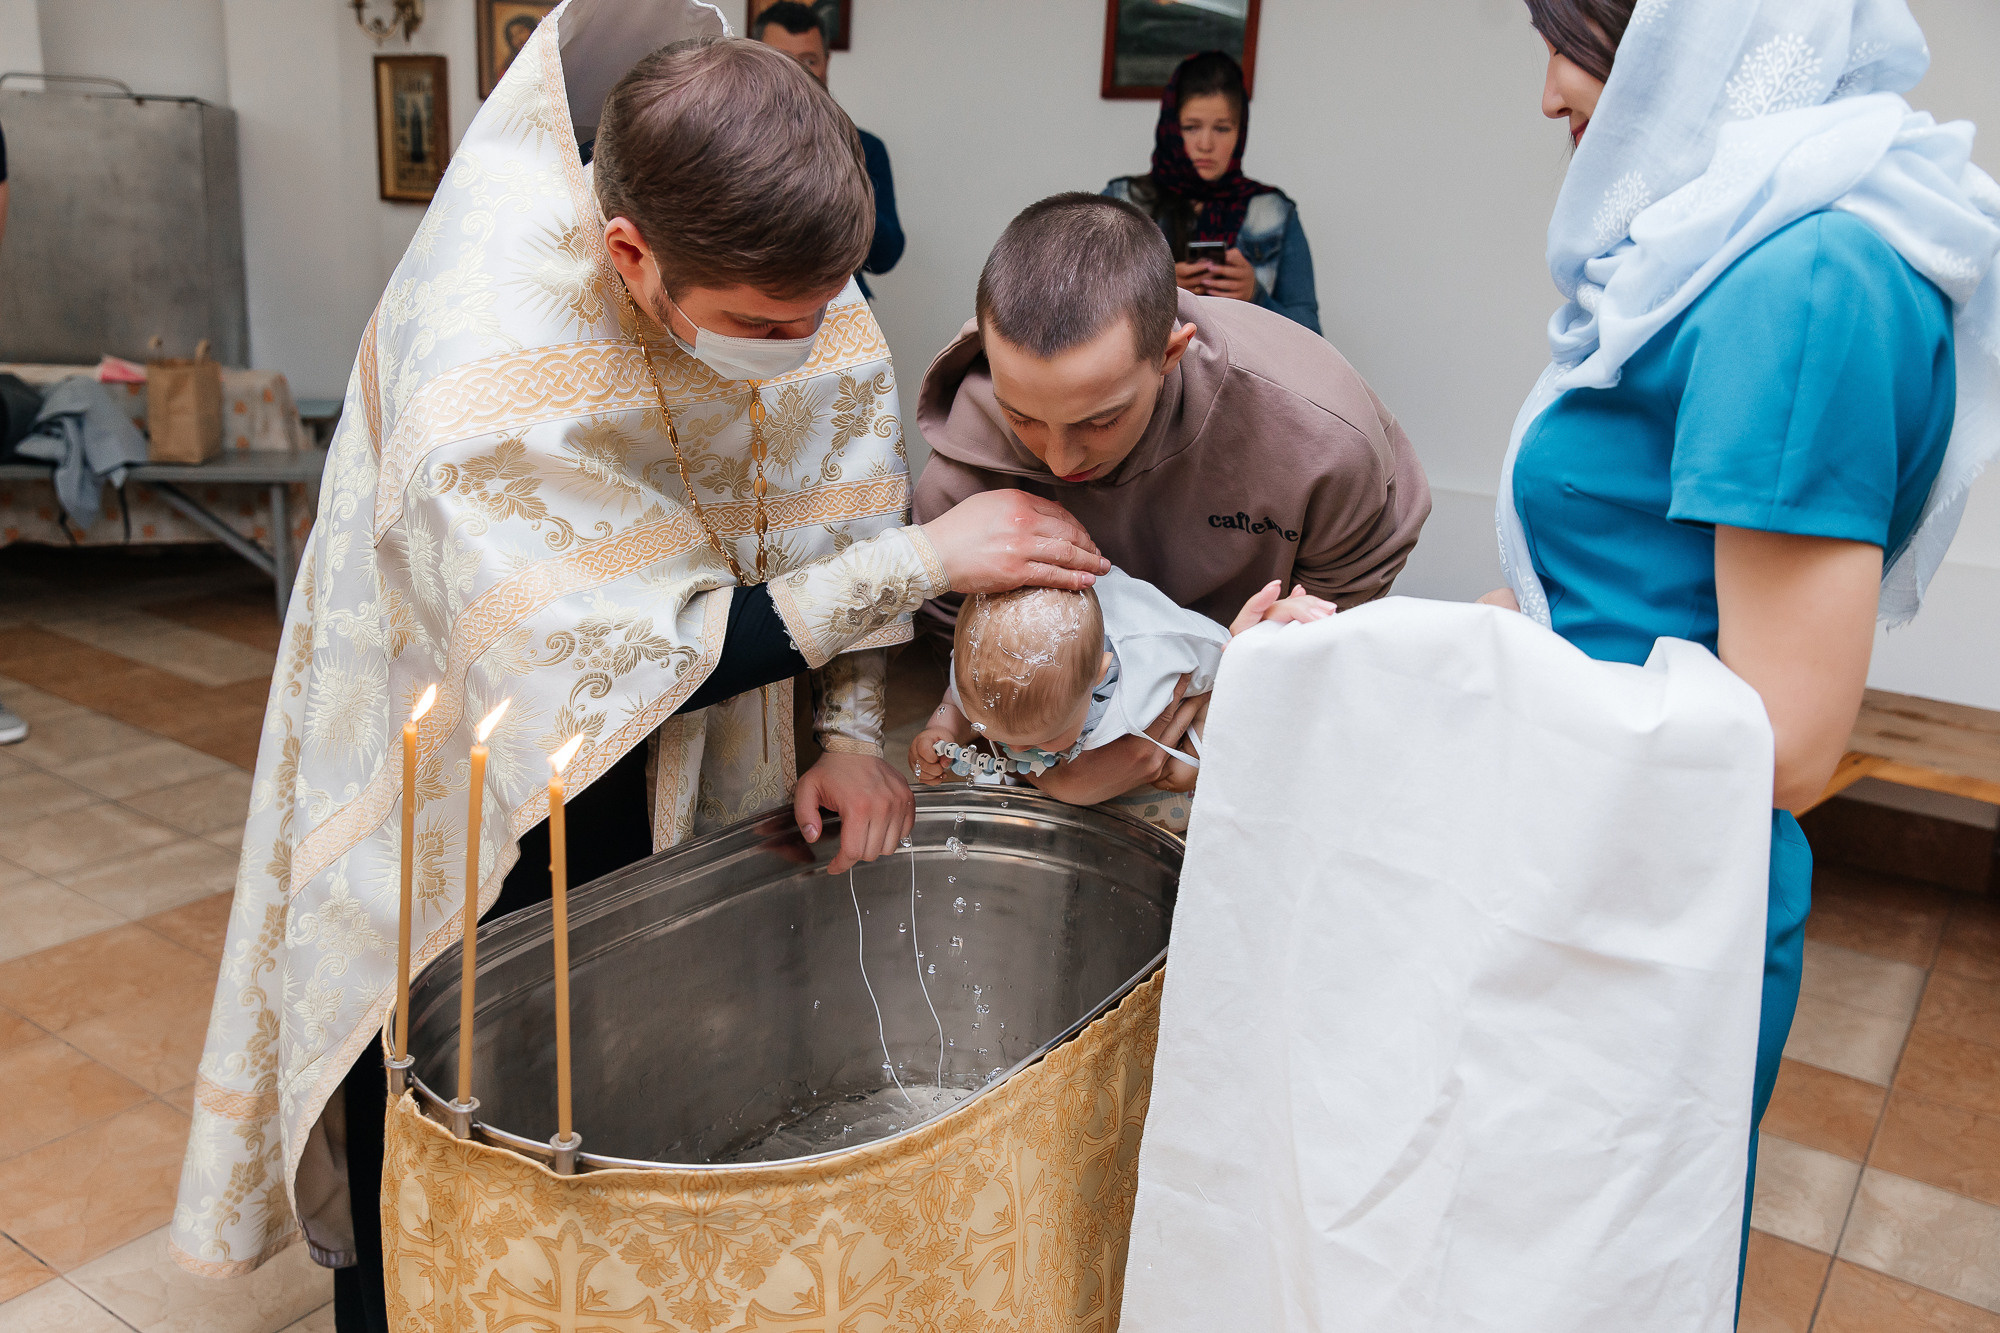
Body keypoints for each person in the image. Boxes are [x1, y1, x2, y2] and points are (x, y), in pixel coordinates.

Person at [167, 15, 1107, 1330]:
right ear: (628, 254)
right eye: (763, 323)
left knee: (648, 1069)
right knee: (447, 1082)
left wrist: (846, 727)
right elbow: (591, 650)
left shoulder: (788, 267)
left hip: (696, 734)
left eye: (818, 310)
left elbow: (834, 476)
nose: (804, 339)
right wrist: (921, 562)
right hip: (476, 762)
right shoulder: (482, 351)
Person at [1485, 0, 2000, 1293]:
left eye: (1577, 44)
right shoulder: (1722, 252)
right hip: (1583, 839)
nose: (1550, 93)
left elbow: (1782, 741)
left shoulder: (1806, 285)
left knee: (1591, 1280)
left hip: (1652, 893)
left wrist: (1471, 678)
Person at [916, 191, 1429, 798]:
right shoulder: (966, 452)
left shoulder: (1320, 438)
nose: (1060, 459)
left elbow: (1326, 639)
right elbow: (961, 649)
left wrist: (1210, 727)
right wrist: (1057, 767)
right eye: (1022, 418)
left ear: (1170, 353)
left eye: (1099, 420)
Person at [910, 574, 1331, 830]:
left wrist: (1249, 638)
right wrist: (944, 728)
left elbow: (1224, 664)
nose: (1018, 752)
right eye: (993, 734)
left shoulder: (1155, 663)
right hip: (1080, 748)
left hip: (1162, 714)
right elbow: (957, 699)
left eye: (1046, 736)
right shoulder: (981, 677)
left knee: (1185, 770)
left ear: (1098, 677)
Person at [1103, 51, 1319, 333]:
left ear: (1240, 132)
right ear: (1170, 127)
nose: (1205, 144)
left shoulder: (1274, 211)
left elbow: (1313, 336)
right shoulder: (1123, 202)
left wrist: (1256, 296)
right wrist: (1158, 293)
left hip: (1241, 376)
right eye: (1191, 127)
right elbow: (1080, 311)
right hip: (1148, 376)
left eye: (1222, 128)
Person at [753, 1, 903, 300]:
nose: (798, 73)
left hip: (839, 312)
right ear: (755, 61)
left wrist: (842, 171)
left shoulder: (864, 148)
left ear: (827, 63)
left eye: (809, 61)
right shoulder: (724, 141)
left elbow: (887, 256)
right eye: (781, 60)